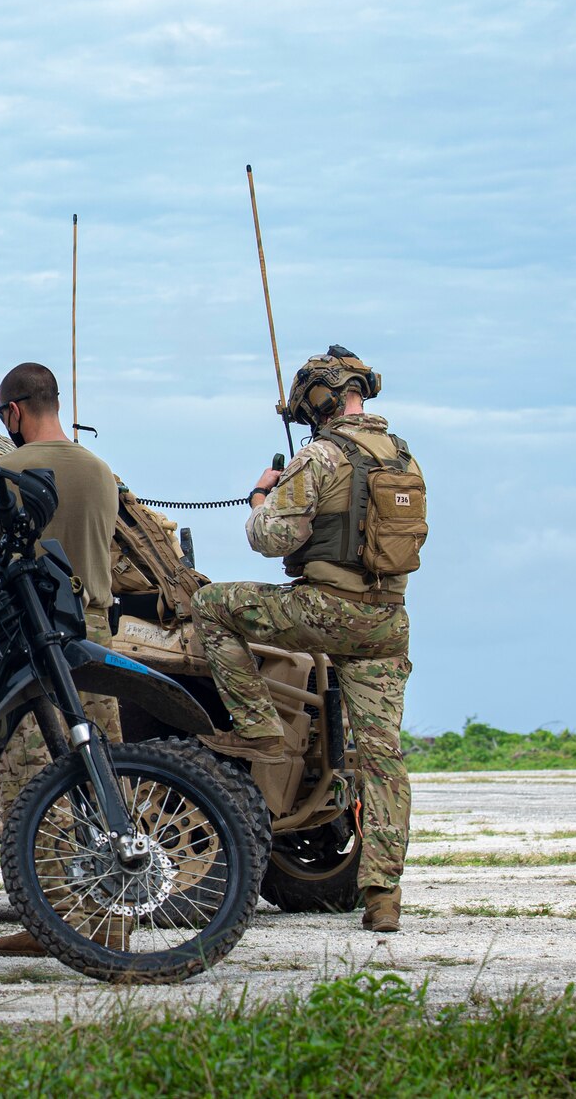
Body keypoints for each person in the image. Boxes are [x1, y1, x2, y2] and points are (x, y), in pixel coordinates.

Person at [191, 347, 423, 933]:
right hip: (386, 623)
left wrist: (261, 497)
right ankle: (382, 898)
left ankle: (262, 730)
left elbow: (269, 540)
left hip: (325, 609)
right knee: (383, 758)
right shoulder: (404, 459)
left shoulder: (320, 456)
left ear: (319, 399)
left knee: (210, 606)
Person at [0, 362, 123, 958]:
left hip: (32, 633)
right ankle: (115, 913)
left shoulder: (5, 469)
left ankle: (50, 920)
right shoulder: (102, 471)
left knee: (36, 779)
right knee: (102, 768)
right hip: (94, 633)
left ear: (14, 412)